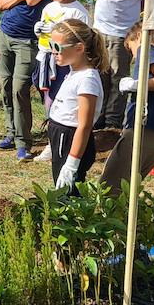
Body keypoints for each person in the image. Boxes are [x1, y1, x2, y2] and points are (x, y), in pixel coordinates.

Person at [98, 24, 154, 194]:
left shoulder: (147, 50)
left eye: (131, 49)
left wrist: (137, 84)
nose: (134, 58)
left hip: (144, 131)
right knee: (127, 189)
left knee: (110, 188)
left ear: (139, 36)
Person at [0, 0, 55, 159]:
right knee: (5, 85)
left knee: (20, 89)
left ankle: (24, 143)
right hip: (5, 34)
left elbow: (31, 0)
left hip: (28, 40)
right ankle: (12, 132)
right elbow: (0, 4)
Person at [89, 0, 148, 129]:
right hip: (99, 29)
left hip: (122, 32)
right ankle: (98, 117)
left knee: (117, 77)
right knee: (99, 73)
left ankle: (113, 123)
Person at [32, 0, 89, 162]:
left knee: (60, 99)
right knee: (48, 98)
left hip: (64, 61)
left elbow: (81, 38)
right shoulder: (49, 8)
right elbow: (44, 31)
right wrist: (39, 30)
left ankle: (57, 142)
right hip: (45, 57)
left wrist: (58, 32)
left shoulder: (77, 11)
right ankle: (51, 138)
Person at [45, 18, 105, 192]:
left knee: (69, 192)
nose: (52, 52)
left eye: (57, 48)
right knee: (60, 186)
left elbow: (84, 125)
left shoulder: (87, 79)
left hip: (71, 138)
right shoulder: (74, 72)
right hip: (61, 135)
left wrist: (72, 162)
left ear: (79, 48)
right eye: (50, 45)